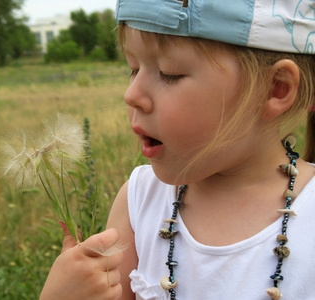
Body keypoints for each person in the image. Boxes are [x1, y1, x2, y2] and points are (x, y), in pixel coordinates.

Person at [40, 0, 315, 299]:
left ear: (276, 88)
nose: (131, 95)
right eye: (133, 69)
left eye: (169, 73)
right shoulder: (140, 200)